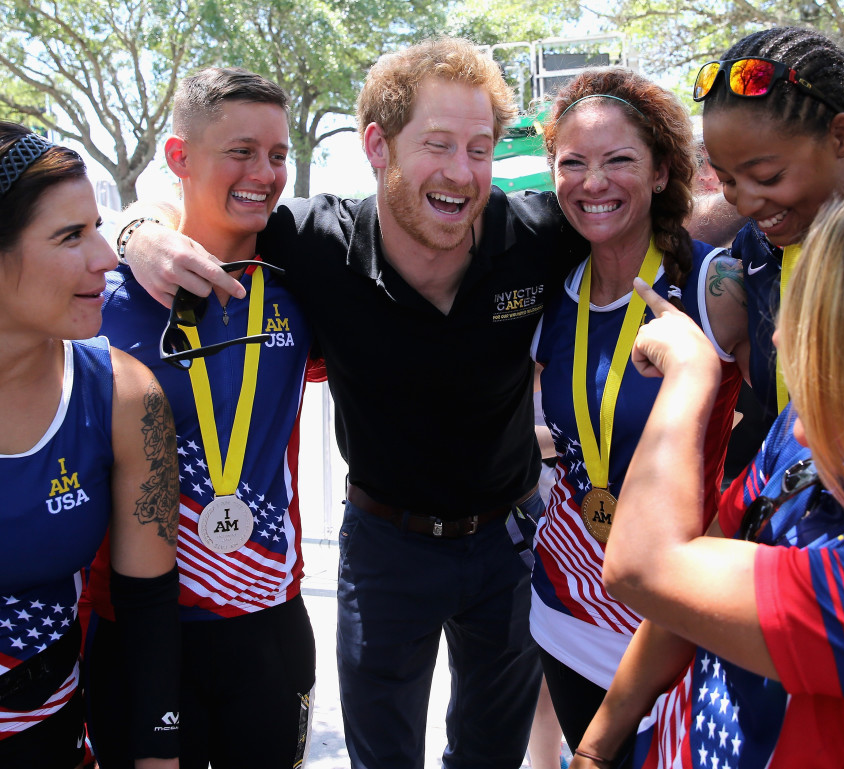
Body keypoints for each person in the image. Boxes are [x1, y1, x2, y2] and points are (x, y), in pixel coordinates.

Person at [112, 38, 589, 769]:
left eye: (480, 147)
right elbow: (198, 197)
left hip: (508, 546)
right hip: (385, 545)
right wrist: (138, 230)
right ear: (378, 145)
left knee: (491, 756)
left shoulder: (537, 233)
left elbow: (666, 213)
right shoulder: (308, 241)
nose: (461, 172)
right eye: (437, 144)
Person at [571, 182, 844, 768]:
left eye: (812, 327)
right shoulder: (815, 433)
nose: (776, 338)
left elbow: (648, 569)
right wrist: (596, 751)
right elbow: (686, 595)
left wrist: (693, 373)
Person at [84, 69, 316, 768]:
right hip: (136, 627)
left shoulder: (300, 280)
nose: (265, 173)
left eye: (278, 155)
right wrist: (137, 226)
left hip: (269, 623)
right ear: (179, 157)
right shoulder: (99, 297)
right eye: (240, 151)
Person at [528, 68, 747, 752]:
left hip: (670, 625)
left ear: (659, 173)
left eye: (618, 159)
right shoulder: (550, 293)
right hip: (563, 610)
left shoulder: (716, 287)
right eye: (574, 163)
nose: (593, 182)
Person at [0, 123, 180, 768]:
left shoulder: (125, 395)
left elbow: (148, 614)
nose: (107, 256)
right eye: (70, 236)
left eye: (98, 227)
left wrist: (160, 754)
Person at [695, 26, 844, 423]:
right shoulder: (755, 249)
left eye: (768, 177)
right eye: (728, 181)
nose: (746, 203)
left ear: (841, 137)